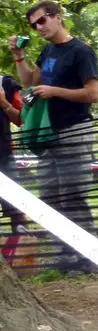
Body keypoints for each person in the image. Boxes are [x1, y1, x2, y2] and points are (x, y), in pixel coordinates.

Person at [7, 0, 98, 273]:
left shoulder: (81, 51)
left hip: (74, 130)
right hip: (47, 134)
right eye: (33, 25)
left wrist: (55, 91)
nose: (39, 27)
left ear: (57, 17)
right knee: (49, 196)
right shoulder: (48, 50)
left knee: (73, 196)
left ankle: (87, 258)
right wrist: (18, 57)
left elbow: (93, 94)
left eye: (42, 20)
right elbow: (29, 81)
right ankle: (64, 254)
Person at [0, 70, 27, 234]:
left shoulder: (5, 83)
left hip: (3, 156)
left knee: (15, 207)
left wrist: (3, 103)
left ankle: (20, 242)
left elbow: (21, 119)